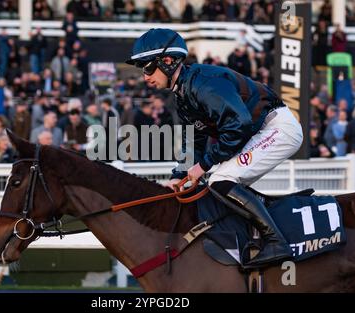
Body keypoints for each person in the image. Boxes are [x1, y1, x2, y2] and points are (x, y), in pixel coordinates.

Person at [125, 28, 303, 268]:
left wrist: (204, 165)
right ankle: (250, 238)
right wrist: (179, 177)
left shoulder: (204, 85)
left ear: (167, 61)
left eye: (147, 67)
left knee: (221, 178)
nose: (145, 76)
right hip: (259, 130)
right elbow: (195, 141)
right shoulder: (182, 96)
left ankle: (276, 241)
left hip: (277, 128)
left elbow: (238, 126)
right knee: (217, 185)